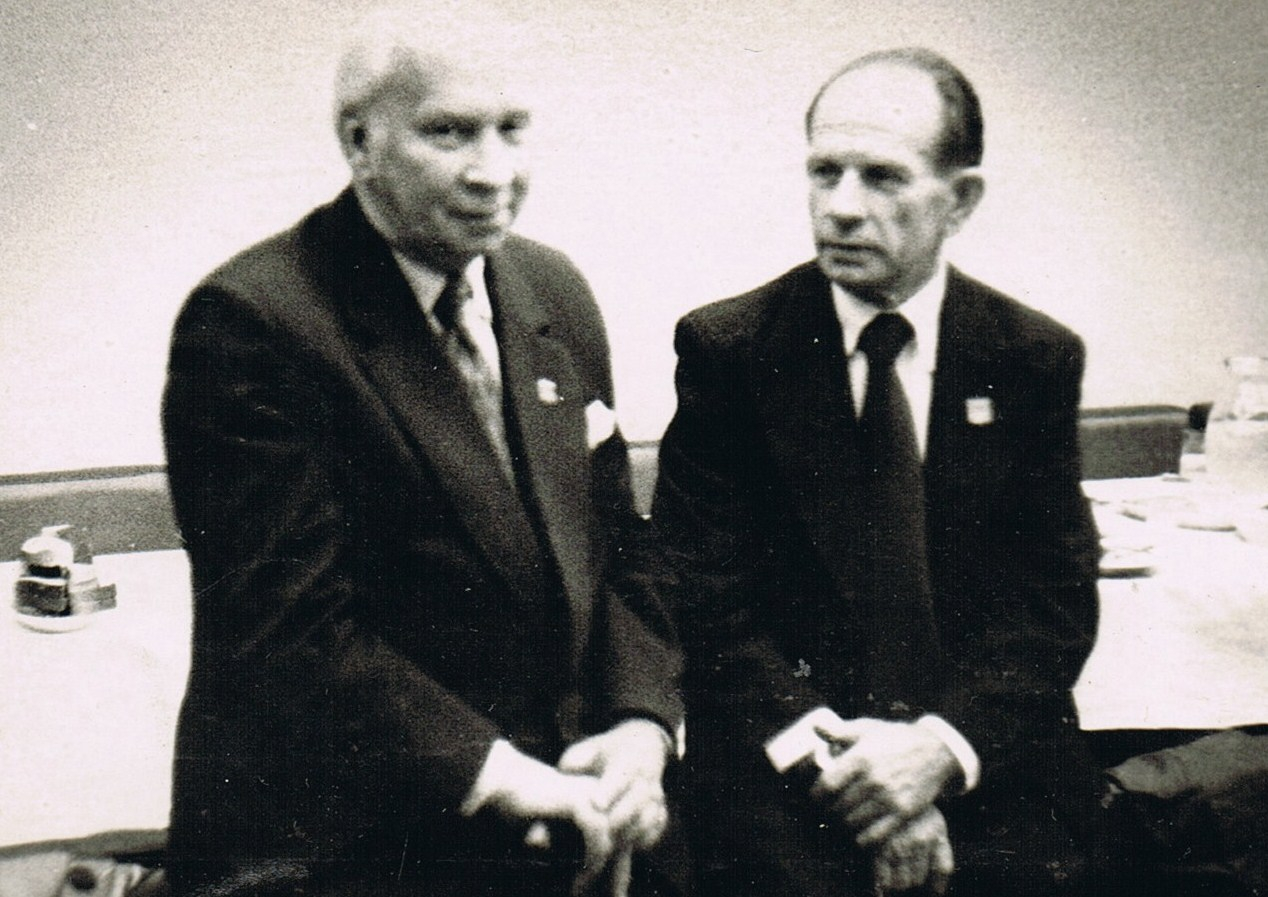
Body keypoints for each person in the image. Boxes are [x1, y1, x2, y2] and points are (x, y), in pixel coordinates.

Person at [161, 13, 683, 897]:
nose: (494, 170)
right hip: (352, 849)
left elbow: (619, 549)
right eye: (450, 133)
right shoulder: (253, 322)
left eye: (512, 128)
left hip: (567, 821)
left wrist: (642, 726)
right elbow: (290, 632)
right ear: (359, 143)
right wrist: (510, 779)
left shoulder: (552, 290)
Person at [650, 49, 1103, 897]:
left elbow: (1052, 600)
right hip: (787, 771)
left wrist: (938, 752)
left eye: (883, 177)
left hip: (980, 765)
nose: (843, 207)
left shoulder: (1031, 356)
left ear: (960, 199)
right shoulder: (731, 350)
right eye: (825, 172)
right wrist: (861, 781)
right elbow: (704, 599)